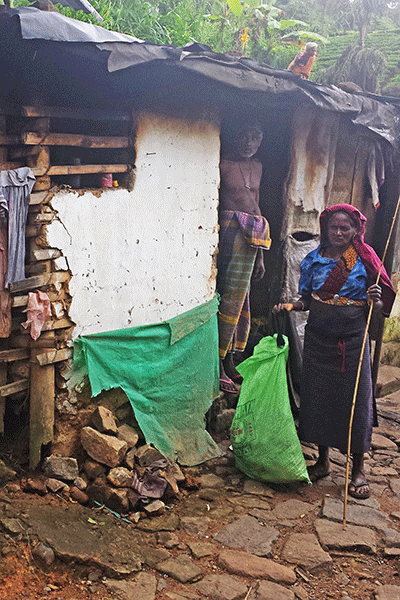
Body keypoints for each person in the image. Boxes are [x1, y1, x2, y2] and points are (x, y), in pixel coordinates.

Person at [274, 203, 395, 499]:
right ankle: (323, 461)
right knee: (319, 399)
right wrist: (291, 305)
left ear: (355, 231)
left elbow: (380, 305)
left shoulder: (365, 260)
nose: (339, 232)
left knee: (355, 401)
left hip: (352, 340)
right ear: (325, 229)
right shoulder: (313, 260)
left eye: (345, 228)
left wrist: (376, 298)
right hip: (318, 338)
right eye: (333, 227)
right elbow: (307, 299)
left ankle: (358, 470)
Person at [217, 122, 271, 393]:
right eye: (244, 136)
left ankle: (230, 358)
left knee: (241, 300)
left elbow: (256, 205)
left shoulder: (258, 166)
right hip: (231, 233)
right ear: (235, 137)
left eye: (255, 137)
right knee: (229, 298)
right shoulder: (223, 164)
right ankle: (218, 362)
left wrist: (260, 256)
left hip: (252, 237)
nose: (249, 142)